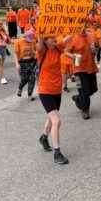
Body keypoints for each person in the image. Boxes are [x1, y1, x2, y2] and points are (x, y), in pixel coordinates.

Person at [36, 36, 69, 165]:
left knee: (51, 118)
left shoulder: (57, 48)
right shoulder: (41, 51)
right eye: (50, 37)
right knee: (57, 120)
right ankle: (57, 153)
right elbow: (39, 44)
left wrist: (79, 23)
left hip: (57, 90)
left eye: (55, 37)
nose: (54, 38)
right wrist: (41, 35)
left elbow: (67, 38)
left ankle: (44, 137)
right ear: (45, 40)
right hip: (45, 91)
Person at [64, 27, 99, 120]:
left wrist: (95, 49)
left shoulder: (90, 35)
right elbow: (66, 52)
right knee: (84, 90)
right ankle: (85, 110)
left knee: (93, 89)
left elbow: (95, 48)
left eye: (84, 25)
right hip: (78, 69)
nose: (82, 28)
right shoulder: (73, 37)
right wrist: (74, 56)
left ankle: (78, 99)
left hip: (90, 67)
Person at [14, 30, 37, 100]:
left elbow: (36, 51)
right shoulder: (18, 42)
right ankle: (20, 88)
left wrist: (35, 53)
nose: (30, 40)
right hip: (22, 62)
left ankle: (30, 94)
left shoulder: (33, 41)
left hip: (32, 61)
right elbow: (15, 54)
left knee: (32, 78)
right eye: (28, 39)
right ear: (25, 36)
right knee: (25, 78)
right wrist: (17, 64)